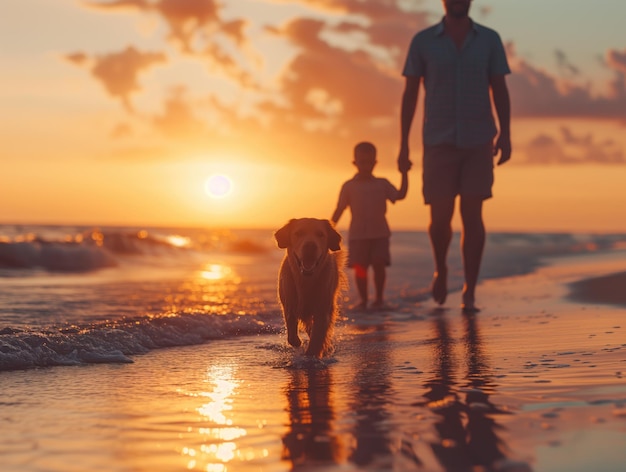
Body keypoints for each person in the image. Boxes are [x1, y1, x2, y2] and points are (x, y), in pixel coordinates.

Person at [397, 0, 511, 313]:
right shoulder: (423, 41)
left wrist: (507, 132)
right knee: (439, 219)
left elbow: (499, 88)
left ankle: (469, 289)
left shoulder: (489, 39)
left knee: (473, 217)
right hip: (438, 141)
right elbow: (409, 94)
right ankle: (441, 268)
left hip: (479, 140)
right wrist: (404, 144)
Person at [331, 141, 409, 310]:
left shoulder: (382, 183)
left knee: (379, 264)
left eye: (369, 162)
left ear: (375, 163)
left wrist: (404, 173)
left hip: (380, 233)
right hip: (358, 234)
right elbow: (339, 209)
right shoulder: (349, 186)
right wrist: (328, 231)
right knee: (360, 268)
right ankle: (364, 300)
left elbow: (401, 194)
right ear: (355, 163)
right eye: (362, 162)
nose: (366, 166)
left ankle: (379, 299)